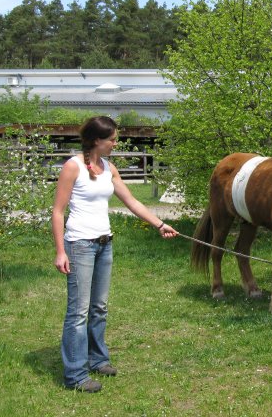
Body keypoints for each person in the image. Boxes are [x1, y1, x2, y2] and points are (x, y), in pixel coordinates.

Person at [51, 116, 178, 392]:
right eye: (112, 139)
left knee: (99, 307)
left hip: (104, 244)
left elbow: (131, 200)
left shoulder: (109, 168)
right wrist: (61, 251)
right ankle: (75, 375)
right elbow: (58, 211)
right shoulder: (73, 167)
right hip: (80, 245)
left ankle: (97, 359)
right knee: (79, 312)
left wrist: (159, 224)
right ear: (97, 140)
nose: (115, 143)